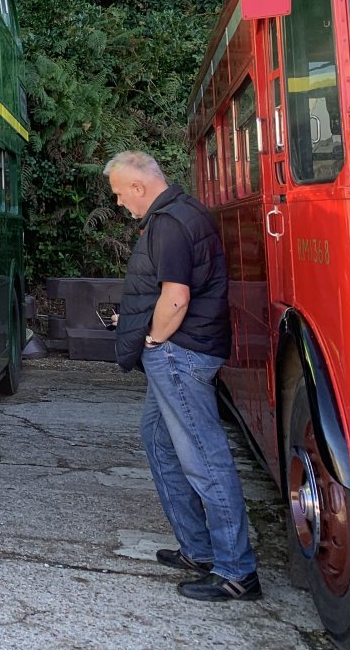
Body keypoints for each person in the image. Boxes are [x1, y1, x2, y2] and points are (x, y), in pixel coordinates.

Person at [104, 150, 261, 602]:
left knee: (205, 460)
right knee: (157, 439)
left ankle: (237, 572)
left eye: (119, 193)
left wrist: (152, 339)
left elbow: (175, 297)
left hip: (180, 356)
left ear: (138, 186)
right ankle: (199, 548)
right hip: (184, 353)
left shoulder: (170, 223)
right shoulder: (185, 210)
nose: (118, 203)